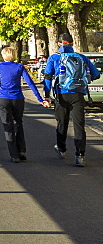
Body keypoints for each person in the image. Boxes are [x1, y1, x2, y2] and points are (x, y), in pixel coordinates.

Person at [42, 33, 100, 167]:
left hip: (61, 95)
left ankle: (61, 149)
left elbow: (47, 77)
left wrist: (46, 95)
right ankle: (80, 155)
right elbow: (96, 74)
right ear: (72, 44)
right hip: (78, 95)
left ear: (59, 44)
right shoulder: (81, 57)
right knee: (79, 125)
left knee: (62, 123)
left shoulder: (54, 58)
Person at [0, 46, 51, 163]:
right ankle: (21, 151)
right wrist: (39, 98)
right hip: (17, 98)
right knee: (18, 124)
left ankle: (14, 155)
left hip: (3, 98)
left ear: (3, 55)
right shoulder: (19, 67)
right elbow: (30, 83)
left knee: (8, 125)